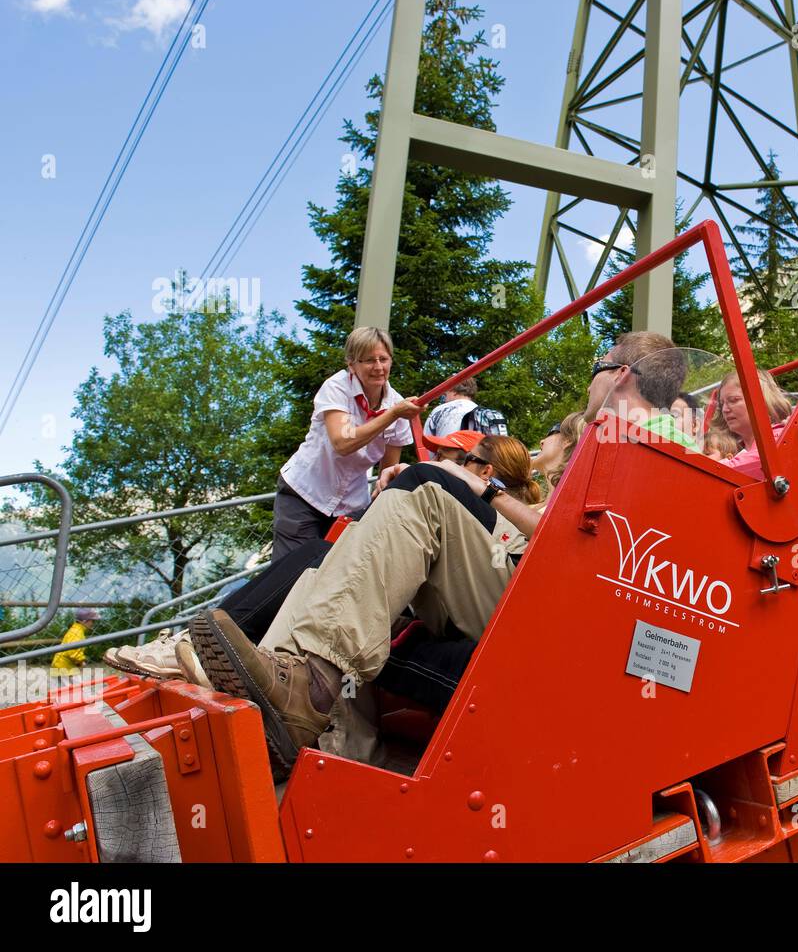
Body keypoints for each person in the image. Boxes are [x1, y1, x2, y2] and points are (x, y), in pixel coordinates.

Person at [190, 333, 685, 769]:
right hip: (538, 587)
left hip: (555, 610)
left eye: (596, 368)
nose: (588, 384)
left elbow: (588, 551)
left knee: (423, 485)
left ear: (619, 374)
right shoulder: (628, 441)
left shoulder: (647, 442)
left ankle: (305, 689)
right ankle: (284, 678)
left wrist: (479, 487)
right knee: (349, 543)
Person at [273, 327, 418, 562]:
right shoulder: (337, 387)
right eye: (369, 360)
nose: (379, 367)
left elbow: (388, 471)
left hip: (350, 504)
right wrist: (391, 415)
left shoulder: (397, 404)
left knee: (333, 576)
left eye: (384, 359)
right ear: (352, 364)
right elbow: (342, 442)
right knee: (290, 574)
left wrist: (383, 491)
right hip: (304, 494)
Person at [715, 369, 793, 478]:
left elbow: (750, 464)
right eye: (722, 404)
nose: (724, 409)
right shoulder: (734, 448)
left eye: (733, 400)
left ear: (761, 400)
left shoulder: (778, 436)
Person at [50, 607, 99, 674]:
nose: (93, 623)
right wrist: (81, 662)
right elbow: (73, 651)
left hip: (63, 665)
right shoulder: (77, 632)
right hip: (64, 667)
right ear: (84, 621)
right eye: (92, 621)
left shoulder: (77, 629)